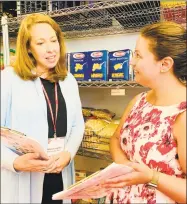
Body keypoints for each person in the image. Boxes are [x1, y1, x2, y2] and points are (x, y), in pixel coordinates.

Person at [1, 13, 84, 204]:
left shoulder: (68, 80)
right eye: (40, 43)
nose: (50, 49)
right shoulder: (9, 79)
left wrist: (68, 153)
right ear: (28, 48)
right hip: (22, 175)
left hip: (58, 170)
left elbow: (77, 125)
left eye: (53, 41)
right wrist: (14, 162)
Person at [102, 21, 186, 203]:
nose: (131, 61)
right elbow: (116, 139)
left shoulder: (182, 115)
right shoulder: (139, 100)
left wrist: (151, 177)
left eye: (138, 55)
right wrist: (124, 166)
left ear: (165, 64)